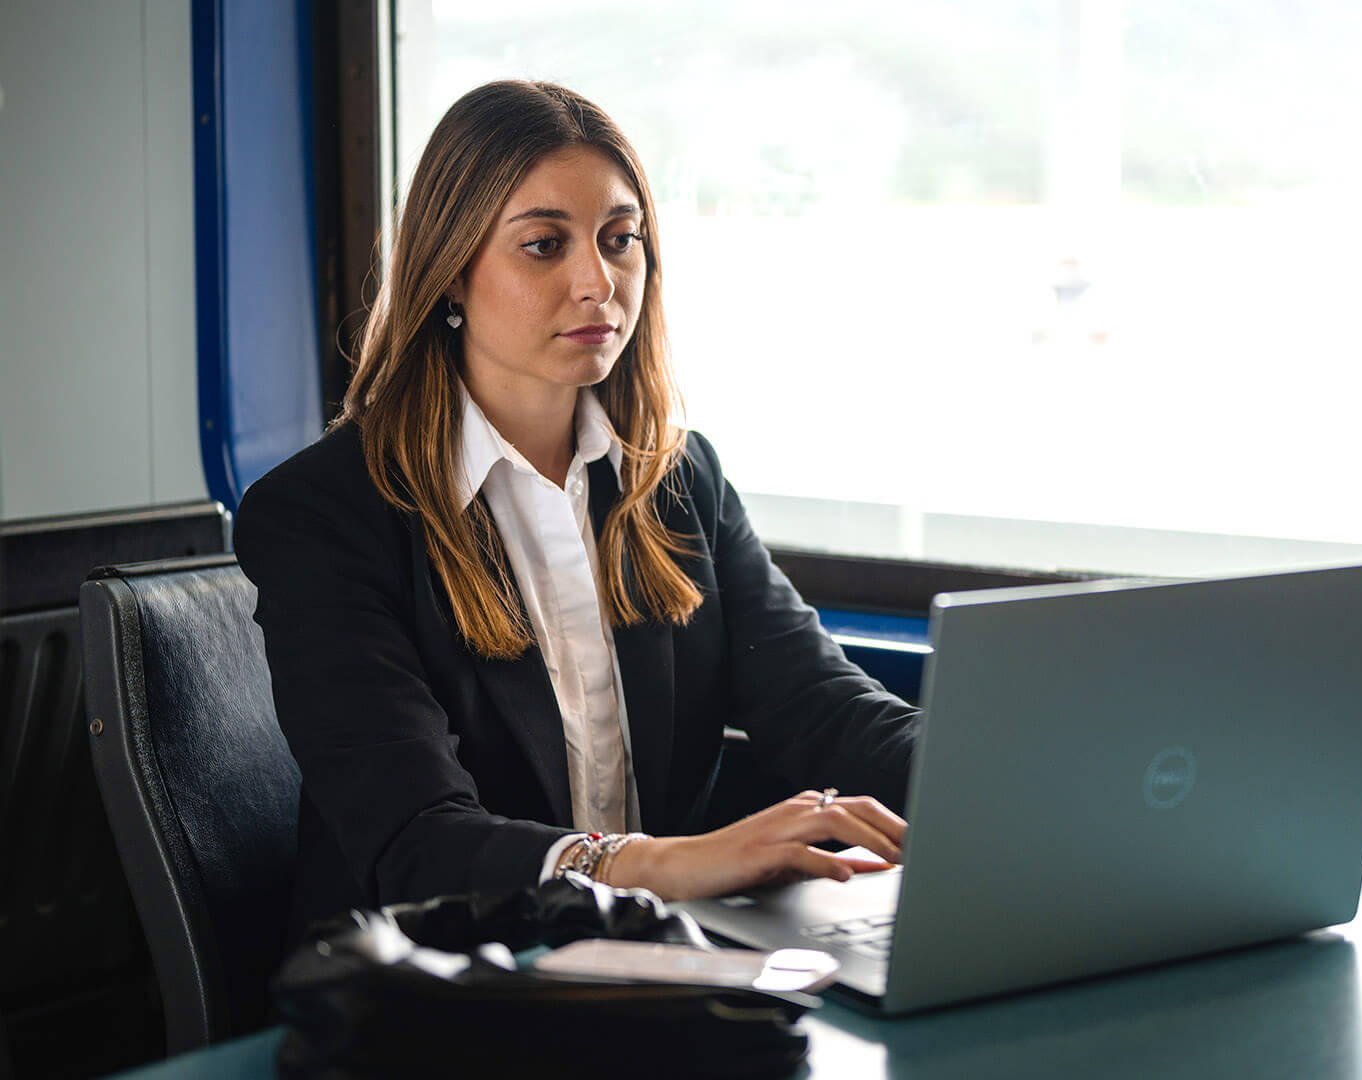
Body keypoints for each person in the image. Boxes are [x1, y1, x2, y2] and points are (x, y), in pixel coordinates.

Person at [234, 80, 919, 937]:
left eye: (619, 240)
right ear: (450, 272)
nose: (598, 282)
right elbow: (414, 843)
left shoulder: (677, 479)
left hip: (651, 960)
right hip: (442, 981)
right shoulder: (322, 515)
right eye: (544, 245)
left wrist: (1026, 780)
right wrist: (669, 864)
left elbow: (824, 707)